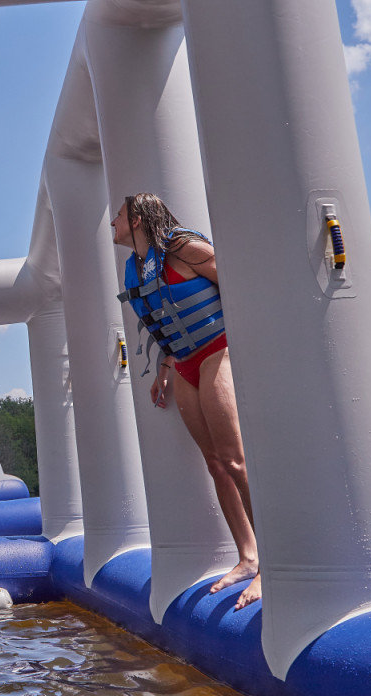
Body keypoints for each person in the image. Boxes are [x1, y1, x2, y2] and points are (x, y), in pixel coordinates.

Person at [111, 192, 261, 610]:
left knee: (234, 459)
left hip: (217, 351)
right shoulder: (135, 269)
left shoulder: (183, 248)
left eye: (119, 215)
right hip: (183, 364)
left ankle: (271, 564)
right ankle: (248, 557)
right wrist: (163, 370)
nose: (113, 223)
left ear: (139, 219)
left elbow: (237, 290)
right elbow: (162, 324)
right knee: (214, 463)